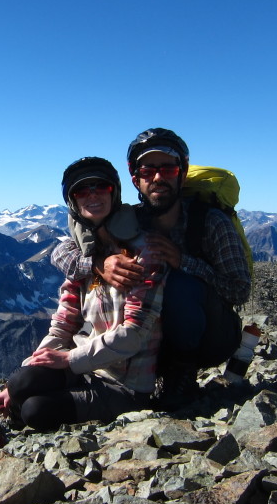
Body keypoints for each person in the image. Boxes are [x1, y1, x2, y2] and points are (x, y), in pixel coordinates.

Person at [51, 128, 251, 401]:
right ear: (135, 179)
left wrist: (185, 263)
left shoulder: (212, 223)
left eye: (168, 169)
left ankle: (180, 377)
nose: (158, 178)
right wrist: (100, 263)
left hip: (211, 337)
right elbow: (62, 251)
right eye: (147, 171)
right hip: (145, 341)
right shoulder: (128, 222)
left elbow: (240, 291)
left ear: (182, 172)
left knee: (179, 285)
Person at [0, 157, 165, 429]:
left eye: (101, 187)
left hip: (125, 385)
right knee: (20, 383)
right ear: (73, 201)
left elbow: (134, 335)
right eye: (82, 191)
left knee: (35, 410)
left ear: (114, 192)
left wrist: (70, 359)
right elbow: (62, 327)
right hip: (84, 368)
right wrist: (22, 377)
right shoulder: (83, 258)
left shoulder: (145, 251)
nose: (92, 195)